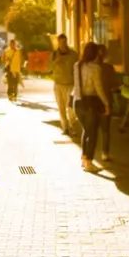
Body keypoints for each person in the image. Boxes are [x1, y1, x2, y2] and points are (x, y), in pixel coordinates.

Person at [72, 42, 115, 172]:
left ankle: (84, 159)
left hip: (77, 102)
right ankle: (89, 161)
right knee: (93, 133)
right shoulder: (95, 68)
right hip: (90, 104)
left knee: (86, 131)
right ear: (95, 54)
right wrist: (106, 103)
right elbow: (98, 88)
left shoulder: (77, 66)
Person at [48, 34, 78, 135]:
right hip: (58, 84)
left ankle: (72, 126)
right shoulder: (54, 55)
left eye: (65, 42)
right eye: (61, 42)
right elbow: (48, 68)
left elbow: (77, 68)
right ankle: (65, 127)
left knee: (70, 107)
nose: (63, 44)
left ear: (67, 41)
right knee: (61, 107)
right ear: (58, 43)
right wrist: (55, 61)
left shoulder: (73, 54)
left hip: (70, 84)